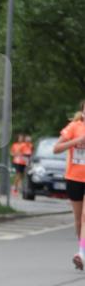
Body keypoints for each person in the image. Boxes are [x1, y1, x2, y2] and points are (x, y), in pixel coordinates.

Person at [53, 100, 85, 271]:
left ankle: (81, 254)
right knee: (79, 220)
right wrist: (78, 140)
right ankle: (83, 250)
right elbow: (56, 148)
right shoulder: (74, 126)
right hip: (74, 178)